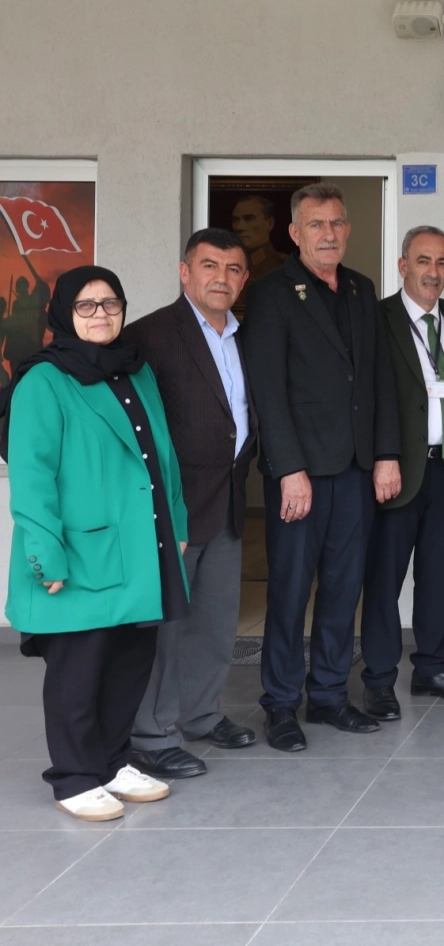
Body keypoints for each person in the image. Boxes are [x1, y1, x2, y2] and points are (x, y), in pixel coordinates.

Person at [2, 267, 187, 820]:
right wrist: (45, 556)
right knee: (78, 673)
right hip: (79, 552)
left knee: (129, 663)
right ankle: (75, 776)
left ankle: (111, 761)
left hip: (139, 548)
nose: (101, 314)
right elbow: (31, 477)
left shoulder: (136, 370)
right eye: (86, 306)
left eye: (110, 303)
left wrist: (176, 526)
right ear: (64, 313)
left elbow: (163, 456)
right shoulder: (44, 381)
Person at [242, 182, 401, 752]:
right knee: (289, 591)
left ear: (348, 230)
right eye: (316, 224)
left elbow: (377, 377)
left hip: (356, 469)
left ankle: (330, 695)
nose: (328, 234)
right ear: (294, 233)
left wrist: (386, 454)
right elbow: (268, 388)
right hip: (301, 473)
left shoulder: (361, 288)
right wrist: (288, 468)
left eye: (336, 223)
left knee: (342, 586)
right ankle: (281, 703)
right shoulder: (270, 293)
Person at [123, 229, 259, 780]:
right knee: (165, 628)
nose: (221, 278)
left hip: (227, 500)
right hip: (172, 509)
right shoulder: (149, 335)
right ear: (185, 272)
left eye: (233, 269)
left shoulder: (246, 336)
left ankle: (202, 715)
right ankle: (152, 735)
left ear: (244, 278)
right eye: (209, 266)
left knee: (214, 621)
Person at [359, 225, 444, 720]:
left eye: (443, 262)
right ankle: (379, 679)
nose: (434, 272)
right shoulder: (377, 318)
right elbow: (368, 396)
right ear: (403, 265)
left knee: (441, 576)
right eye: (424, 261)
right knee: (384, 579)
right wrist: (381, 457)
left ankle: (432, 667)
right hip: (396, 471)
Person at [231, 195, 285, 284]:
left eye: (249, 219)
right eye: (235, 220)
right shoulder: (228, 266)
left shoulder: (287, 267)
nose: (239, 227)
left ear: (270, 224)